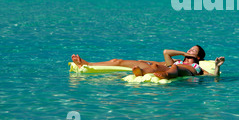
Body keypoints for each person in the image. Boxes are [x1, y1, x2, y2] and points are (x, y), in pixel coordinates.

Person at [71, 45, 225, 80]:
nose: (190, 50)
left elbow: (210, 76)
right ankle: (87, 63)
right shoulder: (177, 59)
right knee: (117, 61)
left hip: (179, 70)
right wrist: (183, 53)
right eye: (189, 49)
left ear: (199, 57)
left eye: (193, 51)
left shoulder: (196, 66)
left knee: (175, 69)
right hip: (162, 66)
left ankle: (156, 74)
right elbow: (166, 52)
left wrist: (217, 68)